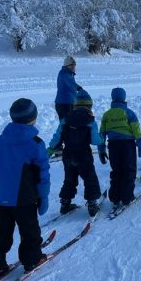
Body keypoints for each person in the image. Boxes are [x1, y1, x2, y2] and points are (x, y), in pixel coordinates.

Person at [0, 98, 50, 281]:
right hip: (24, 199)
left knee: (1, 231)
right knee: (29, 230)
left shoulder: (0, 141)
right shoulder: (35, 144)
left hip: (1, 197)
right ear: (32, 118)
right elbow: (42, 174)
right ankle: (32, 258)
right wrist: (43, 197)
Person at [47, 89, 106, 217]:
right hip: (84, 155)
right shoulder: (90, 120)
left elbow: (57, 137)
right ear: (89, 106)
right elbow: (95, 141)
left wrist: (50, 150)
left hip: (68, 154)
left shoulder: (65, 119)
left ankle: (65, 203)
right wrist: (101, 139)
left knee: (69, 179)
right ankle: (92, 204)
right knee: (90, 178)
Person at [100, 88, 141, 208]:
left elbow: (102, 134)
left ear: (113, 98)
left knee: (116, 171)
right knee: (129, 171)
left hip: (113, 146)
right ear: (124, 98)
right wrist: (140, 144)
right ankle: (127, 197)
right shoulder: (129, 113)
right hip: (127, 145)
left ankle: (115, 198)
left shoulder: (107, 115)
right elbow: (137, 130)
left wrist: (101, 149)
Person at [54, 56, 82, 121]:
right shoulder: (64, 73)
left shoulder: (69, 73)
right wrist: (79, 88)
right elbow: (71, 84)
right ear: (67, 65)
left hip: (68, 103)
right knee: (68, 125)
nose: (73, 67)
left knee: (67, 126)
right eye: (71, 65)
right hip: (64, 104)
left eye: (74, 65)